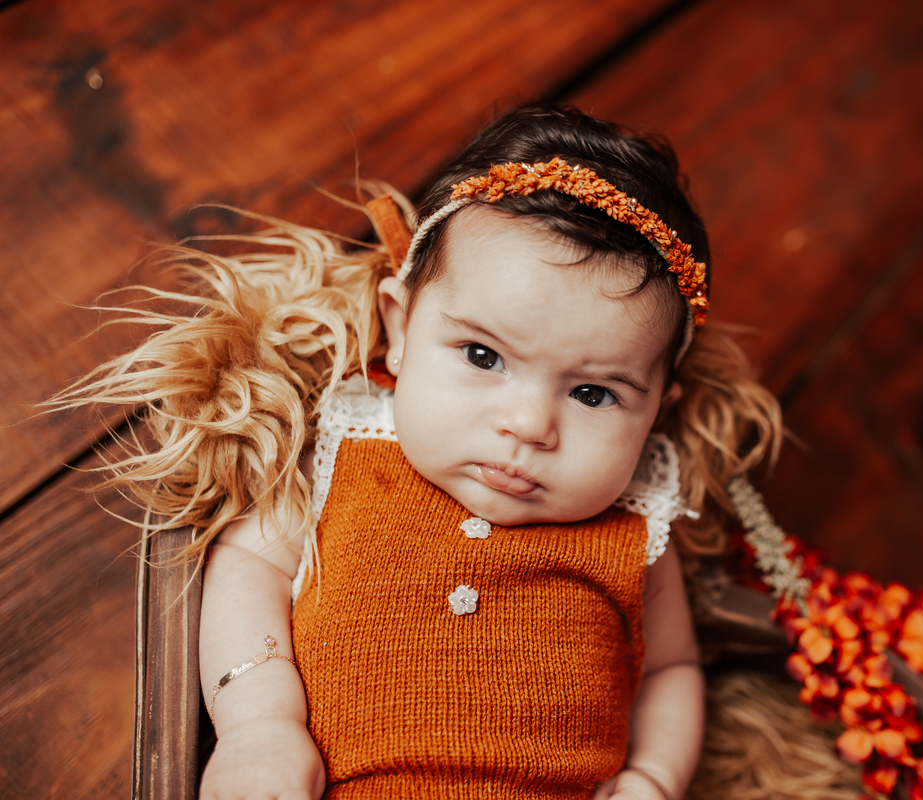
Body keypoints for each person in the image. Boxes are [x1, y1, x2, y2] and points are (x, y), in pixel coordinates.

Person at [59, 104, 781, 799]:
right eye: (481, 355)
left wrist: (653, 779)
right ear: (399, 331)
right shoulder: (346, 450)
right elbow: (248, 567)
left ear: (657, 413)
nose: (529, 424)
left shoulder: (635, 525)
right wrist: (259, 724)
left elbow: (673, 671)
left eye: (594, 395)